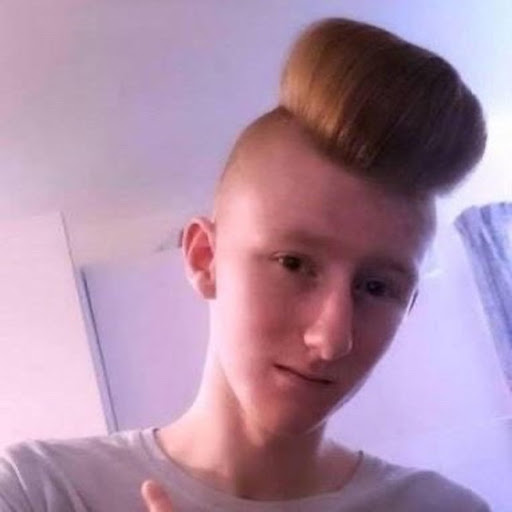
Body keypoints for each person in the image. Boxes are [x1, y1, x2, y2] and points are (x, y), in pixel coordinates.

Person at [0, 17, 490, 512]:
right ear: (204, 258)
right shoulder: (39, 490)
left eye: (377, 287)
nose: (331, 338)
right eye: (294, 263)